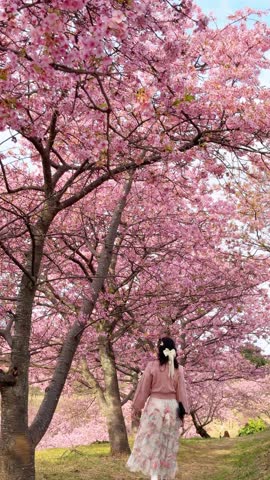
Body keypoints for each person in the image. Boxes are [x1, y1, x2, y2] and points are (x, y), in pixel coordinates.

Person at [126, 337, 190, 480]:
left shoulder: (151, 366)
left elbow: (144, 389)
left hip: (155, 406)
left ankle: (154, 474)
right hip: (172, 407)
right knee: (166, 441)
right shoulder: (178, 369)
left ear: (159, 349)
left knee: (151, 439)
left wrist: (137, 406)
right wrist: (183, 410)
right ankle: (162, 473)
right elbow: (181, 392)